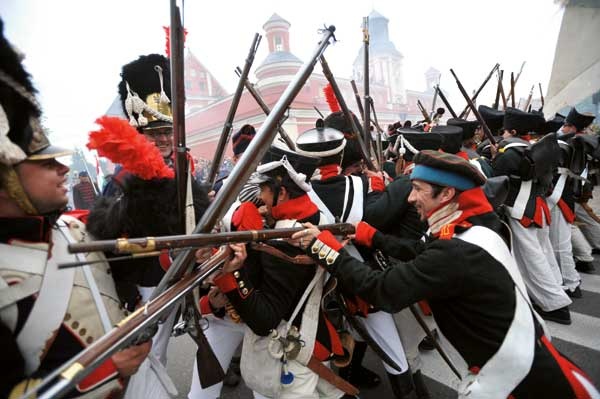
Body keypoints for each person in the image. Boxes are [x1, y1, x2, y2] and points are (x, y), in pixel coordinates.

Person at [294, 150, 599, 398]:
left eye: (417, 189)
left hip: (520, 385)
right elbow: (421, 251)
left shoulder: (453, 250)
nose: (411, 198)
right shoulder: (473, 228)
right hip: (528, 363)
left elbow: (382, 290)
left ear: (447, 194)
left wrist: (324, 249)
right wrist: (372, 236)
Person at [0, 19, 150, 398]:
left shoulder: (75, 227)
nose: (63, 168)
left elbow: (143, 265)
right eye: (46, 163)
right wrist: (105, 370)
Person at [196, 145, 351, 399]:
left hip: (291, 351)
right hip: (314, 337)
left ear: (281, 193)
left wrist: (233, 272)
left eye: (264, 190)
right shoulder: (317, 217)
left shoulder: (283, 242)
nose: (260, 197)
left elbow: (264, 320)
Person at [295, 119, 416, 398]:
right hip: (358, 281)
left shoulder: (298, 195)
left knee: (320, 352)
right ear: (341, 155)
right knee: (394, 357)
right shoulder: (365, 185)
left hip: (316, 288)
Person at [492, 107, 572, 324]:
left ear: (512, 131)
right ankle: (557, 291)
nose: (503, 134)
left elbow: (496, 182)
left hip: (521, 210)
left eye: (506, 131)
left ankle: (555, 305)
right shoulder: (537, 148)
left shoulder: (509, 153)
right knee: (543, 254)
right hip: (538, 206)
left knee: (532, 258)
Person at [102, 53, 175, 197]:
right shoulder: (123, 180)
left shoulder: (180, 170)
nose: (164, 139)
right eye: (154, 134)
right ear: (139, 136)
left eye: (167, 132)